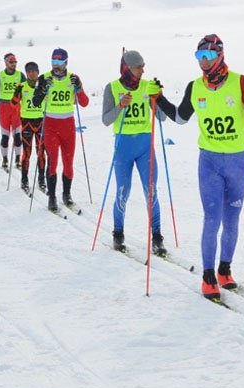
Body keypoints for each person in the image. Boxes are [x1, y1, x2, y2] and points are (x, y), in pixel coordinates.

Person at [156, 34, 244, 302]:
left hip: (238, 163)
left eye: (207, 56)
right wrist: (159, 98)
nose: (203, 62)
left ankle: (224, 270)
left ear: (220, 55)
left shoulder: (240, 82)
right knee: (212, 218)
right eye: (199, 57)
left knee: (232, 220)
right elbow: (181, 118)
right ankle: (208, 276)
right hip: (209, 162)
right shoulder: (195, 87)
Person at [101, 50, 168, 256]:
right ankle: (118, 233)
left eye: (142, 66)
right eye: (139, 66)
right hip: (123, 147)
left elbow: (162, 118)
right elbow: (106, 120)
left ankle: (157, 236)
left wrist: (159, 98)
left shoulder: (148, 86)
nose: (142, 70)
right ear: (127, 68)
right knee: (123, 192)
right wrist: (121, 106)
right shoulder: (112, 87)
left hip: (144, 146)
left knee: (151, 192)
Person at [32, 48, 90, 213]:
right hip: (50, 125)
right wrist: (43, 90)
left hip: (68, 126)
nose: (56, 66)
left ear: (66, 62)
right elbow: (36, 103)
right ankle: (52, 197)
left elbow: (84, 103)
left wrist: (78, 88)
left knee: (68, 163)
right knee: (53, 163)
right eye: (54, 62)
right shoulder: (44, 78)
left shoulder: (73, 78)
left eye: (59, 62)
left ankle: (66, 194)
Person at [10, 61, 47, 193]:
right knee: (27, 152)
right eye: (29, 71)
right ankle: (24, 179)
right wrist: (16, 93)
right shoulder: (22, 86)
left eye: (34, 71)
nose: (32, 73)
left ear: (38, 72)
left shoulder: (43, 86)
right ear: (26, 73)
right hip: (26, 122)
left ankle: (41, 179)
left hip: (41, 122)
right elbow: (13, 104)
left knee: (41, 152)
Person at [0, 53, 26, 171]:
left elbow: (28, 88)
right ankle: (5, 159)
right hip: (4, 108)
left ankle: (17, 159)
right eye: (11, 62)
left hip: (16, 107)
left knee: (17, 135)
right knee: (5, 135)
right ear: (6, 63)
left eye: (15, 62)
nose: (14, 64)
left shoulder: (20, 75)